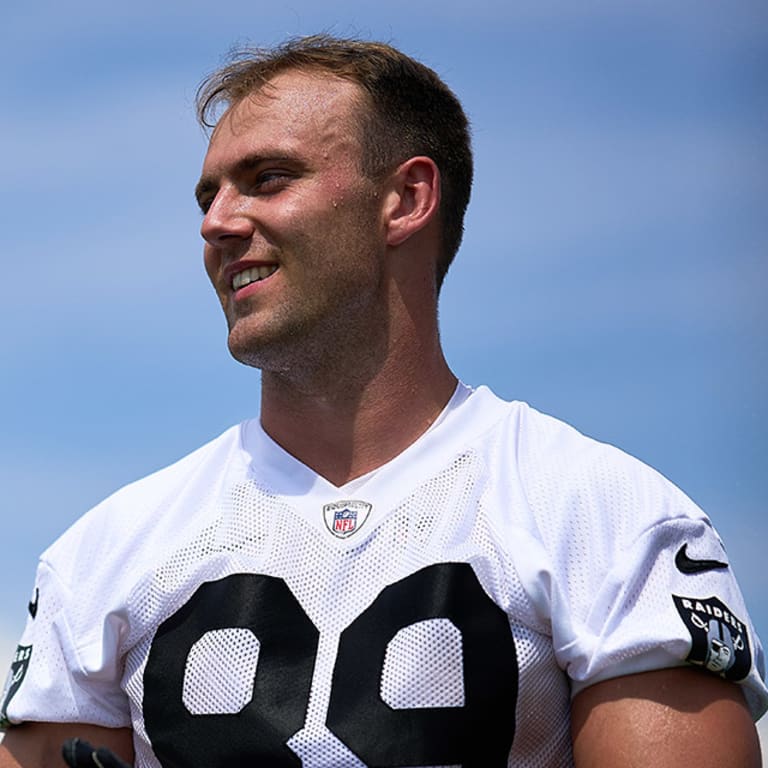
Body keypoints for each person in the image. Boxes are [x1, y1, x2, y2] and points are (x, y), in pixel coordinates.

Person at [0, 34, 765, 768]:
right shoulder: (100, 557)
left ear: (405, 198)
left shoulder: (607, 517)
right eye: (210, 195)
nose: (218, 224)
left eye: (268, 178)